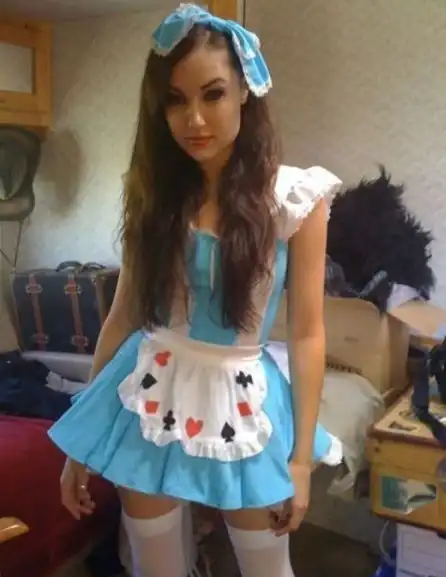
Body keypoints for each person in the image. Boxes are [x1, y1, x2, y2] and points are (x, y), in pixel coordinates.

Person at [48, 4, 343, 577]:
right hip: (149, 388)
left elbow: (308, 332)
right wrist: (81, 440)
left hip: (245, 400)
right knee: (155, 566)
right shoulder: (153, 193)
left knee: (267, 569)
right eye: (176, 100)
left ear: (244, 93)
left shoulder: (294, 200)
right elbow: (124, 314)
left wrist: (300, 461)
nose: (195, 119)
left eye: (213, 94)